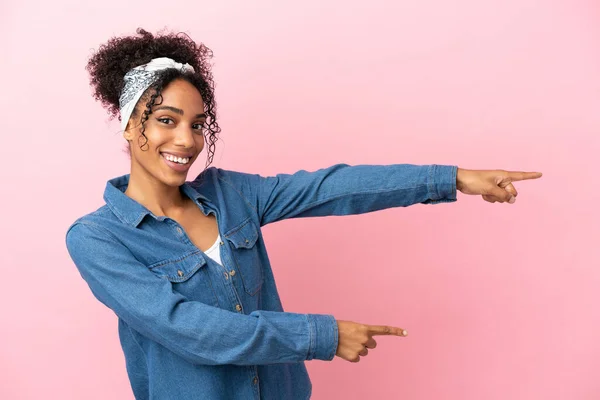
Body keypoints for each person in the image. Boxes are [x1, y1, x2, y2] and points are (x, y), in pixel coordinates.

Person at [65, 28, 542, 400]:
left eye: (196, 124)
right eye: (166, 120)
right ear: (130, 126)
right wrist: (321, 336)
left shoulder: (231, 193)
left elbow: (328, 187)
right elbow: (188, 330)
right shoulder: (97, 239)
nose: (186, 141)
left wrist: (453, 177)